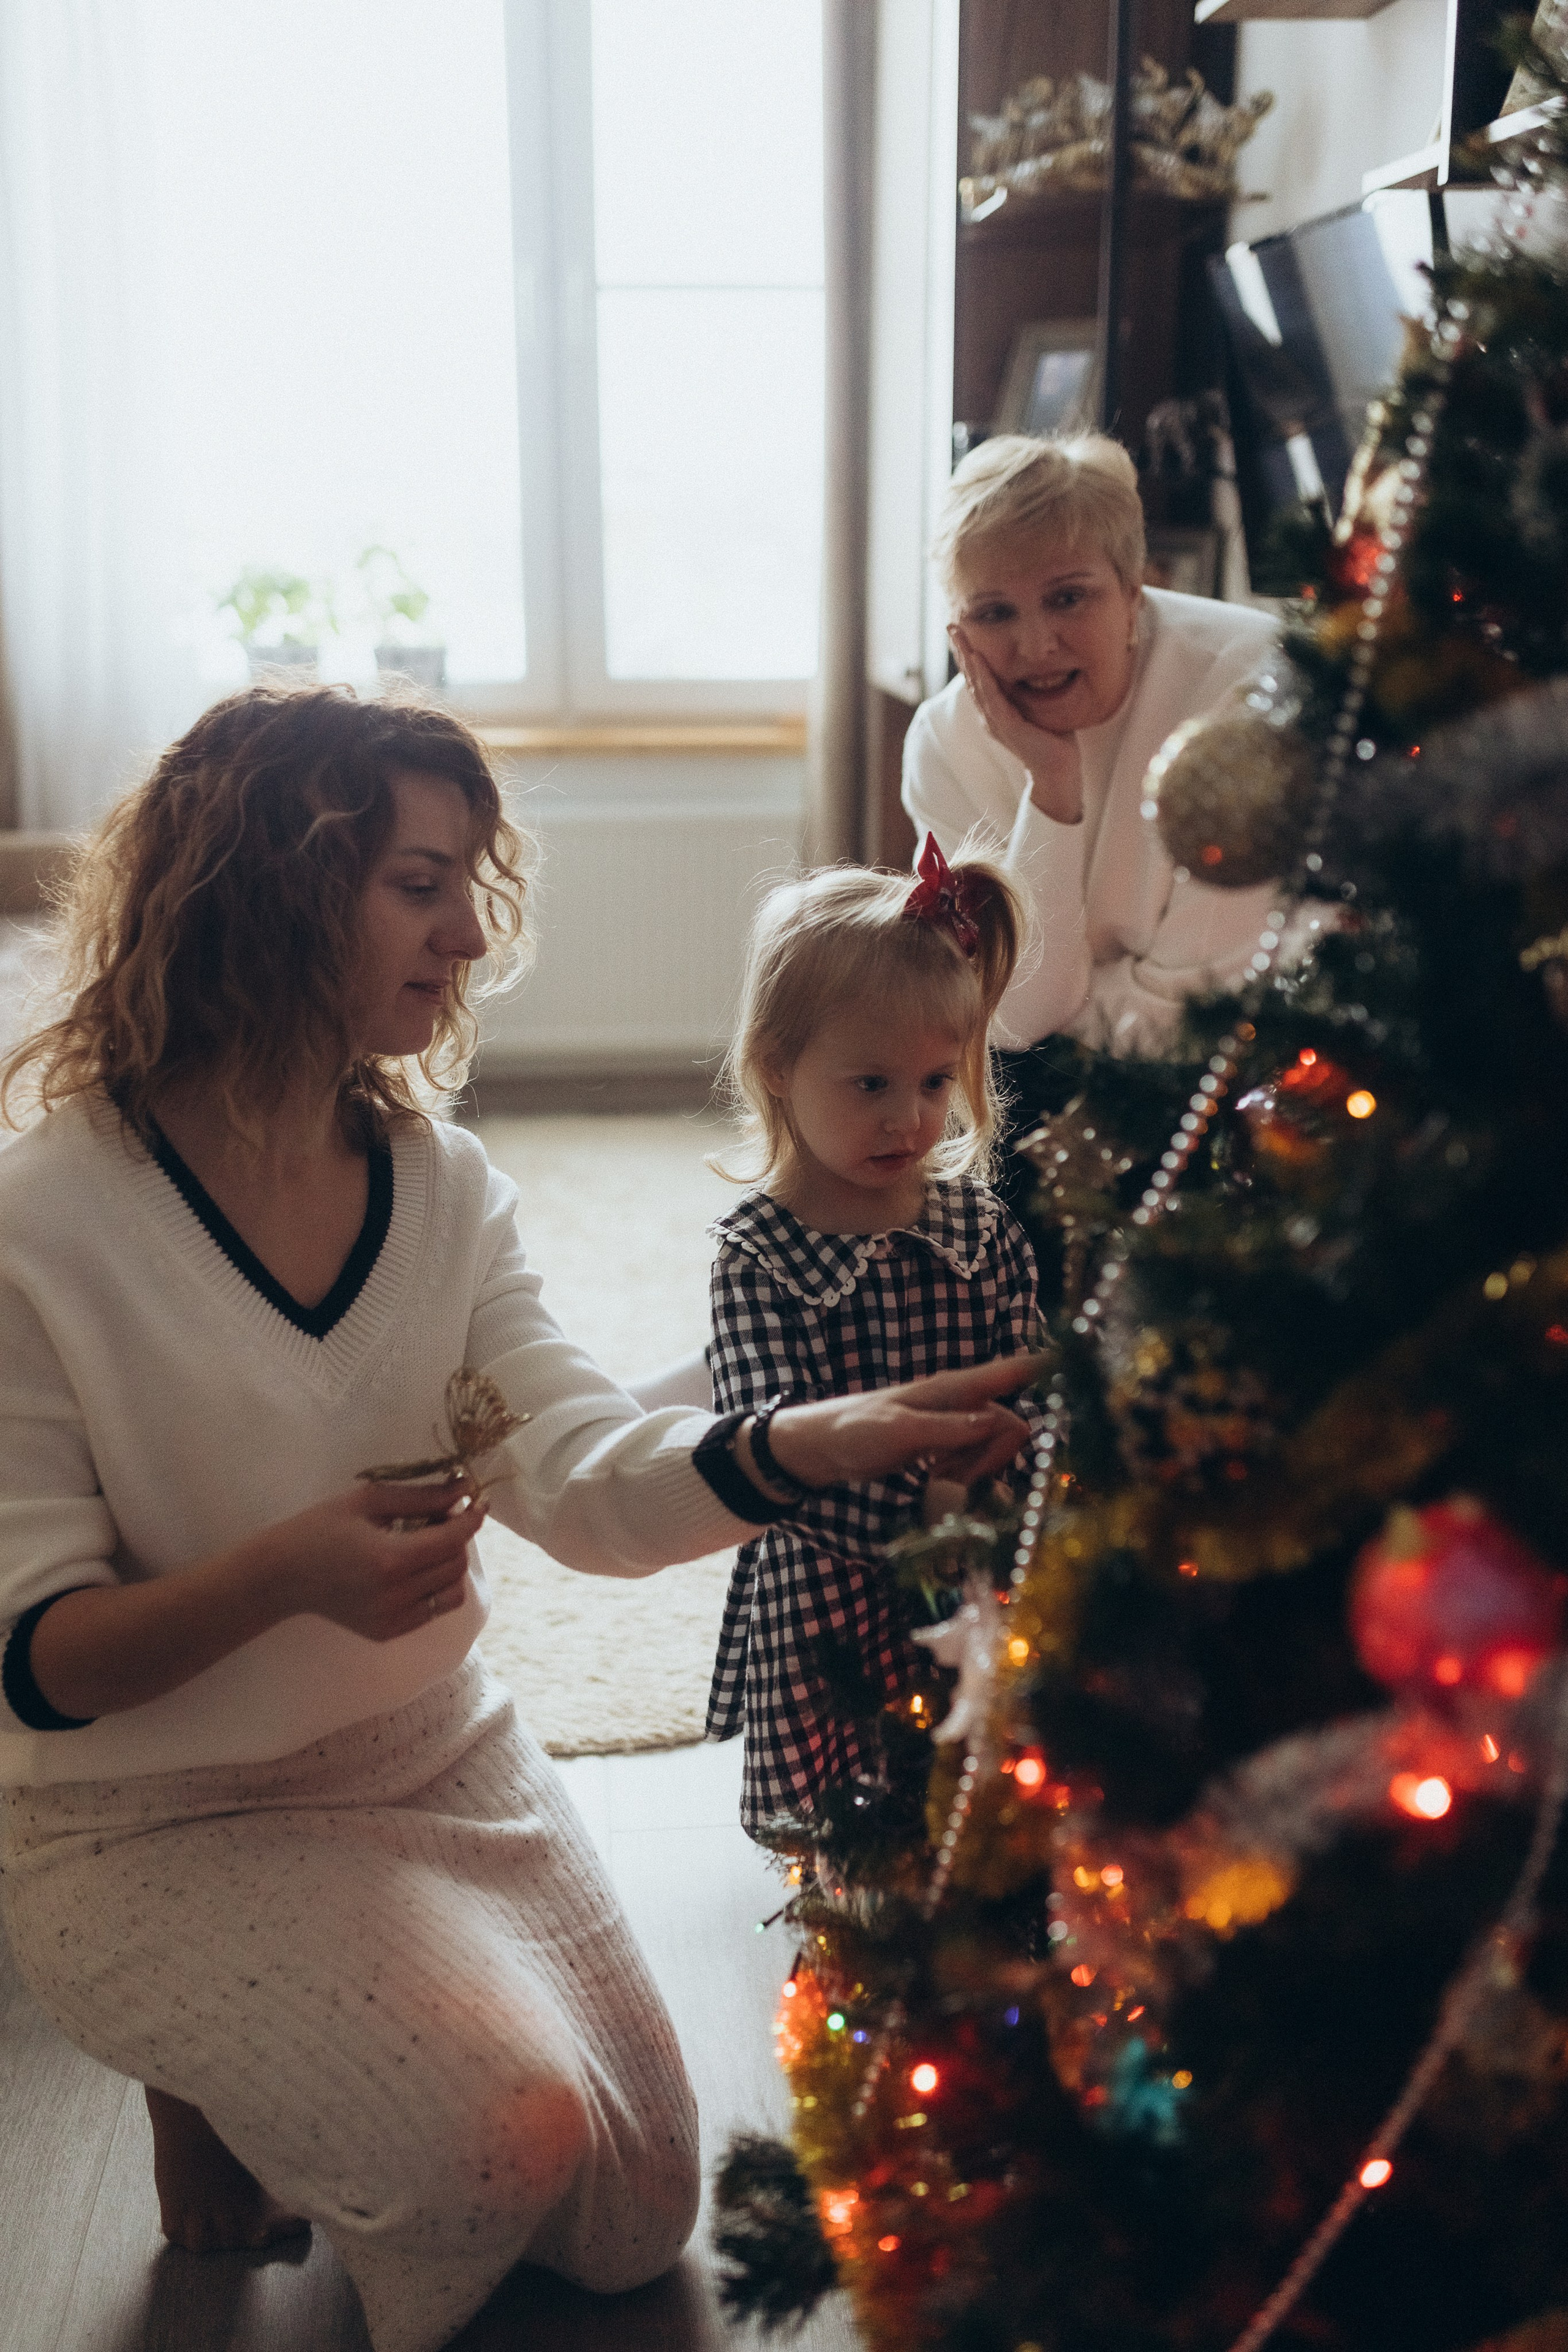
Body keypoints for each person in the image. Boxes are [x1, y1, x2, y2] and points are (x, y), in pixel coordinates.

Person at [0, 685, 1041, 2352]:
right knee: (498, 2148)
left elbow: (578, 1469)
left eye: (470, 887)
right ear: (273, 888)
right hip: (144, 1817)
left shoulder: (441, 1187)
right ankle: (194, 2071)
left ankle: (304, 2045)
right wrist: (286, 1577)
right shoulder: (43, 1222)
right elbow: (37, 1662)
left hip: (429, 1753)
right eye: (420, 886)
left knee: (633, 2214)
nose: (471, 937)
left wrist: (815, 1438)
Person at [703, 838, 1042, 1834]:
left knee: (970, 1794)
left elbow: (1033, 1380)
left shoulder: (981, 1229)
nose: (911, 1120)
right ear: (777, 1065)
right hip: (829, 1593)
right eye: (872, 1086)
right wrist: (920, 1512)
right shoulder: (757, 1256)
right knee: (840, 1824)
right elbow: (770, 1443)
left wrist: (1000, 1486)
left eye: (936, 1082)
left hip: (977, 1563)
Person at [902, 432, 1281, 1112]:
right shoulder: (943, 744)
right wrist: (1051, 788)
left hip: (1253, 1070)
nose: (1035, 646)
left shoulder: (1247, 685)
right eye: (994, 612)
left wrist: (1065, 1005)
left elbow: (1191, 1016)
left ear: (1135, 592)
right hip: (1042, 1080)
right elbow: (1014, 1020)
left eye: (1068, 598)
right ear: (958, 629)